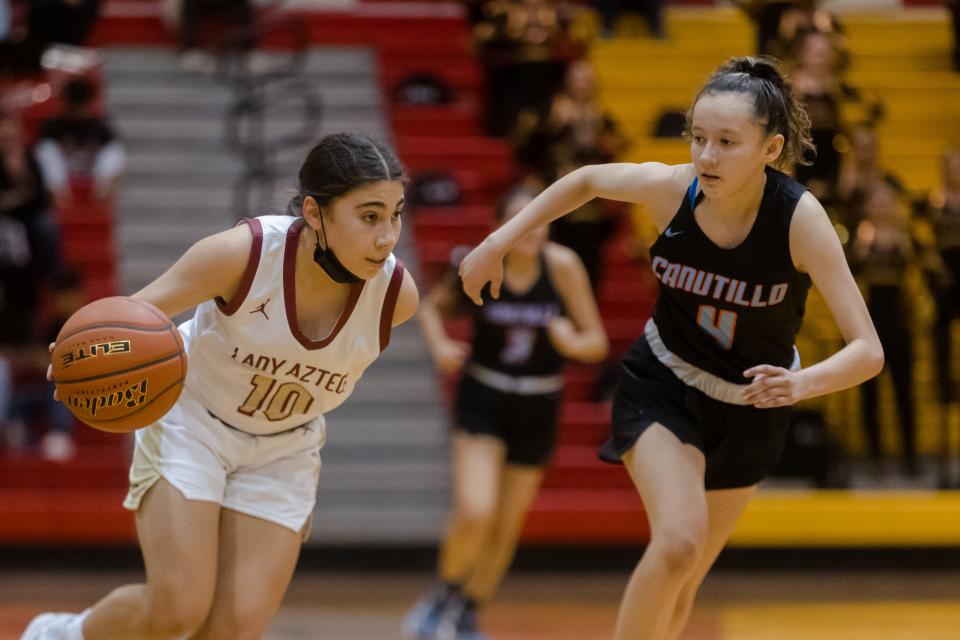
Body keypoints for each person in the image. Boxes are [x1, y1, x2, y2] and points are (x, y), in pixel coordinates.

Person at [459, 56, 883, 640]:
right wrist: (496, 243)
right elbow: (584, 181)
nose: (705, 156)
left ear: (771, 148)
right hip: (665, 383)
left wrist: (802, 384)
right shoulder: (672, 192)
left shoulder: (799, 220)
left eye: (726, 142)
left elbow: (868, 350)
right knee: (678, 541)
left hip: (752, 406)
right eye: (697, 138)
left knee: (682, 585)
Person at [22, 132, 419, 640]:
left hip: (285, 448)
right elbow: (130, 317)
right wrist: (81, 358)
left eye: (396, 214)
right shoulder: (243, 255)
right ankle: (58, 635)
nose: (388, 236)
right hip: (194, 422)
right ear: (316, 214)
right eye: (369, 216)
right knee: (177, 611)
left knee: (230, 631)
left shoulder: (395, 297)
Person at [404, 185, 608, 640]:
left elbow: (595, 343)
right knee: (477, 508)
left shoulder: (563, 267)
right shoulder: (479, 261)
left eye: (541, 220)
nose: (533, 230)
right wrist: (440, 346)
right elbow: (429, 309)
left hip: (539, 401)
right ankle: (440, 597)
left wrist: (570, 341)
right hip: (485, 394)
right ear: (501, 226)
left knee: (506, 524)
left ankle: (468, 612)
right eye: (522, 220)